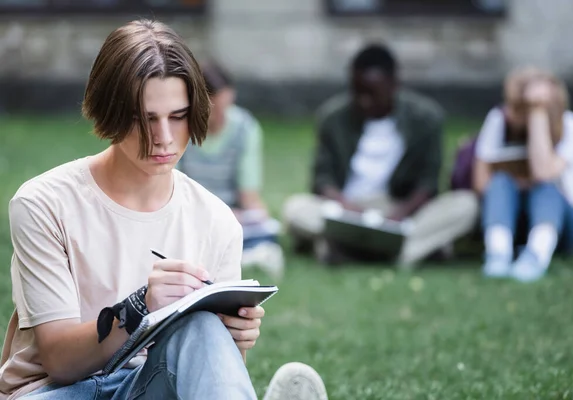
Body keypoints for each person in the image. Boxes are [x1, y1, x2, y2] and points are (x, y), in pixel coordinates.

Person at [0, 19, 327, 400]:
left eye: (178, 116)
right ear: (111, 111)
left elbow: (205, 376)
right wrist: (140, 307)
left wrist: (233, 338)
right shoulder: (42, 203)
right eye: (144, 118)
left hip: (148, 385)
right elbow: (61, 362)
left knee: (203, 327)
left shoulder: (217, 221)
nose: (164, 139)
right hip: (53, 392)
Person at [282, 43, 478, 267]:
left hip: (401, 210)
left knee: (467, 204)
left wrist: (398, 216)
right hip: (348, 210)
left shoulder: (425, 118)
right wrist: (345, 206)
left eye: (373, 94)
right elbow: (321, 179)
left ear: (394, 86)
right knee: (295, 209)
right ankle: (408, 251)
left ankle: (349, 250)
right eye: (358, 92)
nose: (364, 100)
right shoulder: (333, 118)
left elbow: (428, 183)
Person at [473, 66, 573, 282]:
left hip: (563, 226)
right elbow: (481, 183)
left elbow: (543, 172)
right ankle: (498, 253)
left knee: (546, 188)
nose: (509, 111)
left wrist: (538, 114)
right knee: (499, 182)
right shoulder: (499, 121)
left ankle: (537, 254)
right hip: (515, 218)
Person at [177, 61, 284, 281]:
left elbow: (249, 195)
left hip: (231, 214)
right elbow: (173, 190)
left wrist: (256, 216)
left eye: (226, 106)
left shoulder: (244, 127)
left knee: (265, 231)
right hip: (190, 212)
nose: (221, 115)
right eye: (214, 109)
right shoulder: (179, 126)